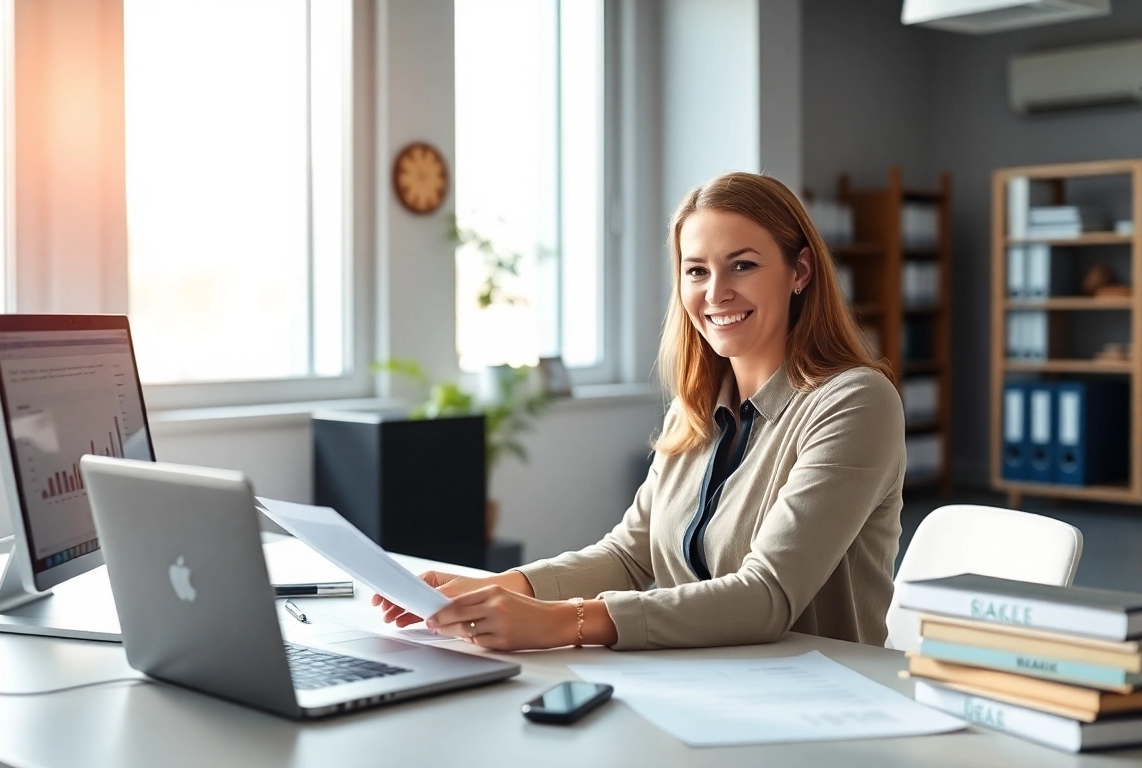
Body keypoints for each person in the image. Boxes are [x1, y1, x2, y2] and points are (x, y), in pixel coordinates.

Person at [374, 171, 905, 651]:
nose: (716, 292)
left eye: (742, 265)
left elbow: (766, 596)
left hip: (819, 705)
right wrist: (488, 590)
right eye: (696, 271)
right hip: (702, 683)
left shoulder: (855, 403)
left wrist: (562, 622)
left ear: (800, 271)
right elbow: (629, 556)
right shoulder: (696, 410)